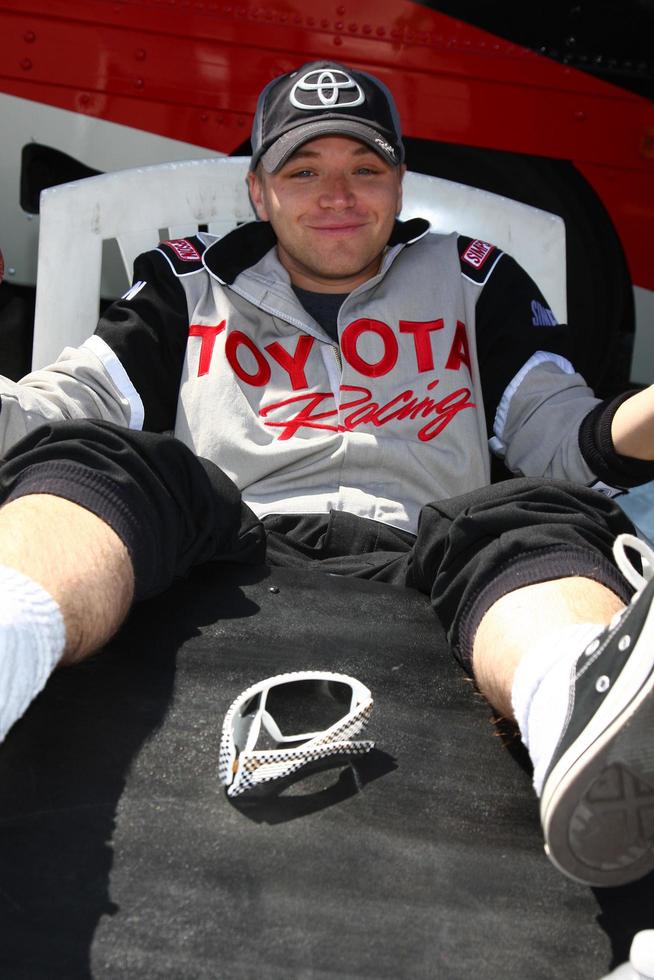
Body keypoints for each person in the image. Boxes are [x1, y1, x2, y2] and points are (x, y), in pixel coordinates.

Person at [0, 60, 653, 888]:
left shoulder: (472, 275)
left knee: (538, 514)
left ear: (399, 182)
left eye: (365, 170)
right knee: (98, 461)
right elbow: (71, 401)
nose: (337, 195)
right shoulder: (187, 278)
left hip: (432, 553)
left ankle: (581, 716)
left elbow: (563, 435)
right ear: (259, 190)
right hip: (224, 544)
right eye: (303, 170)